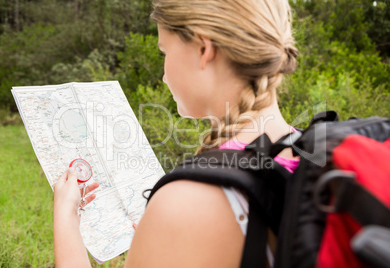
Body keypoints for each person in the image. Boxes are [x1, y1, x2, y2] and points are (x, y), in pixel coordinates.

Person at [53, 0, 300, 267]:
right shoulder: (317, 153)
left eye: (164, 52)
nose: (163, 76)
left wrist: (66, 219)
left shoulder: (184, 204)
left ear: (204, 49)